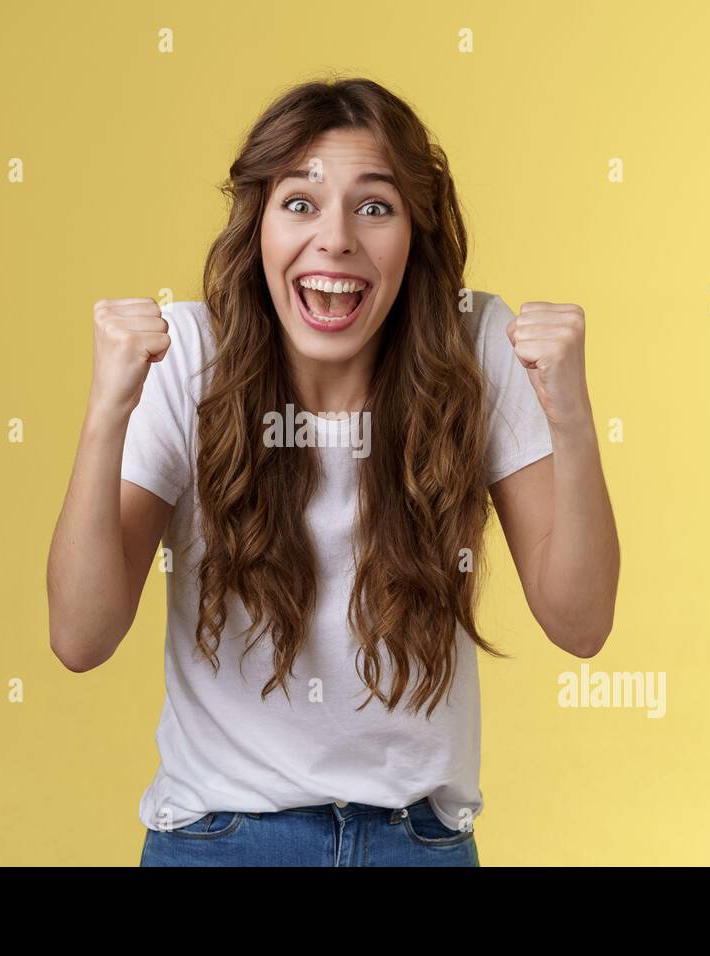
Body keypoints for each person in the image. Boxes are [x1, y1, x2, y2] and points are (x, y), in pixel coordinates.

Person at [46, 76, 620, 867]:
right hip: (220, 842)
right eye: (301, 203)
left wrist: (572, 416)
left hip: (416, 844)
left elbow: (580, 622)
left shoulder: (474, 347)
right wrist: (106, 412)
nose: (337, 239)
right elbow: (80, 637)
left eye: (375, 206)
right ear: (258, 229)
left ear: (415, 233)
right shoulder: (190, 357)